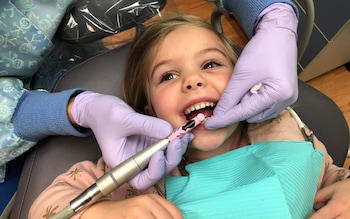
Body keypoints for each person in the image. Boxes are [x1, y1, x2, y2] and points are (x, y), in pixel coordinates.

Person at [29, 14, 350, 219]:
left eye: (211, 64)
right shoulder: (135, 168)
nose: (193, 81)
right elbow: (47, 208)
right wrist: (107, 214)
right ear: (147, 111)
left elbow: (330, 174)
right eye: (168, 76)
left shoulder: (281, 125)